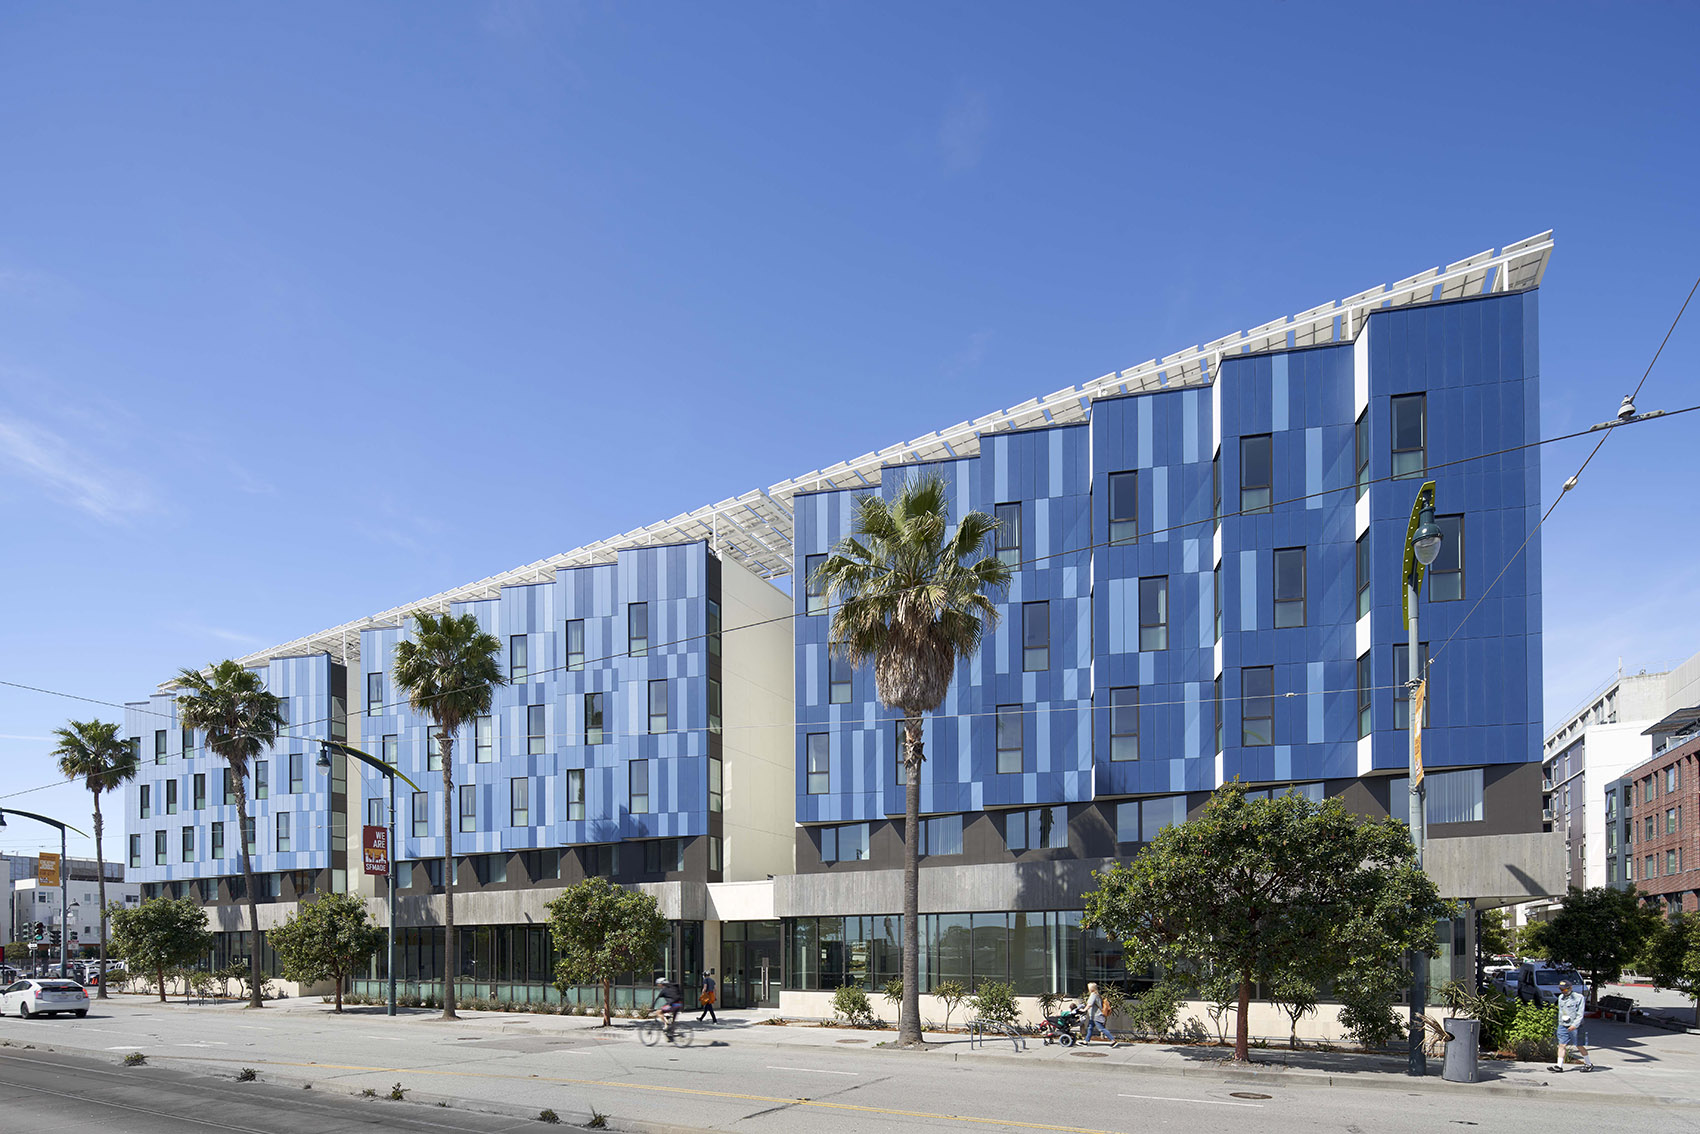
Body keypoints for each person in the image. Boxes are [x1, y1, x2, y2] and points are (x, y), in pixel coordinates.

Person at [1550, 979, 1596, 1072]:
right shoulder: (1561, 998)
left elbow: (1580, 1013)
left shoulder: (1579, 997)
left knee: (1579, 1045)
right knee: (1561, 1045)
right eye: (1561, 989)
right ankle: (1559, 1066)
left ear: (1570, 988)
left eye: (1565, 989)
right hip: (1563, 1025)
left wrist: (1575, 1025)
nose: (1563, 991)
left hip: (1575, 1026)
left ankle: (1588, 1064)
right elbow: (1560, 1011)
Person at [1084, 982, 1119, 1047]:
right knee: (1090, 1028)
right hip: (1094, 1015)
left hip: (1096, 1015)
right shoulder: (1097, 994)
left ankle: (1113, 1040)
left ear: (1091, 988)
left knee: (1101, 1029)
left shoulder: (1093, 995)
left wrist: (1084, 1010)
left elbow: (1090, 1004)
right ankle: (1086, 1041)